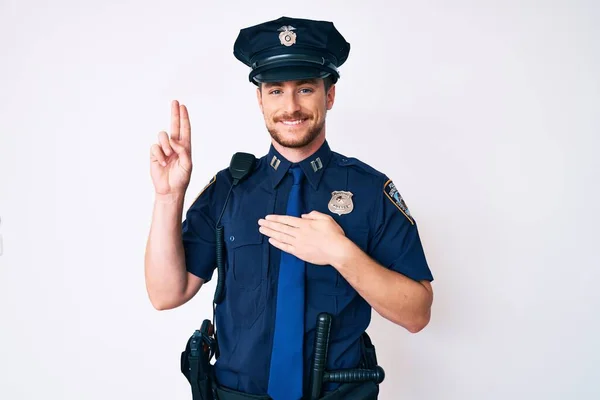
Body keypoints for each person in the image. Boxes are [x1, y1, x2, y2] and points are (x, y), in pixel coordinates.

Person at [144, 16, 434, 400]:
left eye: (306, 89)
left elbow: (417, 314)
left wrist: (341, 253)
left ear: (329, 96)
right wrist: (168, 198)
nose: (291, 106)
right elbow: (166, 294)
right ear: (260, 99)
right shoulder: (230, 189)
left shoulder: (369, 190)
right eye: (276, 90)